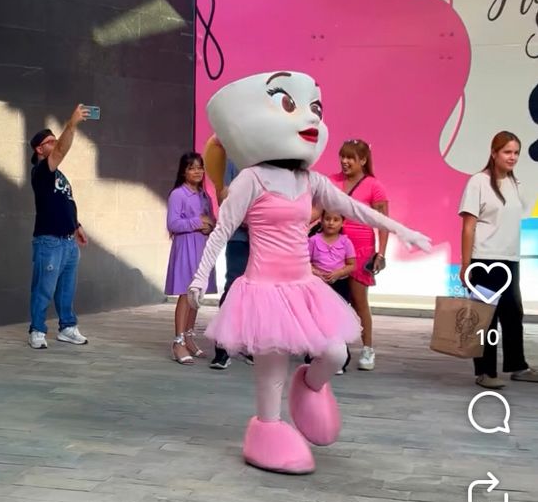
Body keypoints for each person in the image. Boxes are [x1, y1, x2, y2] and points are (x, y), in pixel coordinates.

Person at [187, 71, 430, 475]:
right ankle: (267, 427)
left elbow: (356, 209)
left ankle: (311, 385)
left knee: (335, 352)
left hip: (302, 286)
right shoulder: (251, 179)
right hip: (264, 289)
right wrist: (199, 279)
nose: (311, 118)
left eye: (315, 109)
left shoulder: (309, 180)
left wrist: (402, 231)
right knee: (272, 368)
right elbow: (223, 229)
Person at [458, 130, 538, 387]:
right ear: (494, 153)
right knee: (485, 318)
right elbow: (468, 226)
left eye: (516, 152)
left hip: (509, 259)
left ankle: (518, 366)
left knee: (513, 314)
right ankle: (485, 371)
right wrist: (466, 264)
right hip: (484, 259)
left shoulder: (516, 185)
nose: (512, 157)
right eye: (507, 152)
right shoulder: (478, 182)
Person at [28, 104, 90, 350]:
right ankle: (37, 330)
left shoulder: (58, 175)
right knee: (44, 288)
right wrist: (71, 123)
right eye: (50, 142)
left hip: (68, 240)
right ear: (39, 149)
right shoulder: (41, 171)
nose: (55, 145)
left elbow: (65, 201)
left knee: (66, 289)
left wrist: (77, 225)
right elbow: (62, 149)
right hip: (49, 240)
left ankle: (67, 327)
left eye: (55, 141)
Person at [329, 140, 389, 371]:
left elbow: (384, 223)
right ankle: (333, 348)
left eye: (350, 158)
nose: (344, 161)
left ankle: (367, 349)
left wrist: (380, 254)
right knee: (333, 299)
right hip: (332, 246)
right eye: (342, 156)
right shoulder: (332, 181)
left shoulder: (374, 186)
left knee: (358, 300)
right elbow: (320, 209)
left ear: (363, 161)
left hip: (361, 249)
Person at [165, 152, 216, 363]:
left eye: (200, 167)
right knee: (185, 295)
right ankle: (178, 342)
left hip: (202, 248)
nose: (197, 171)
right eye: (192, 168)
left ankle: (189, 337)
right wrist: (197, 222)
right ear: (183, 171)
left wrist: (209, 227)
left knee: (196, 295)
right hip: (185, 246)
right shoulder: (178, 194)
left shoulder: (205, 196)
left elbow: (212, 220)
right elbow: (173, 224)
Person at [209, 154, 252, 371]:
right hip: (239, 237)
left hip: (265, 239)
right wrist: (243, 218)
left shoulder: (272, 162)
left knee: (260, 292)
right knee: (233, 287)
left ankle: (251, 344)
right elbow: (223, 195)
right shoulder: (233, 159)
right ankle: (223, 348)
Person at [307, 210, 356, 372]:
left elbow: (352, 265)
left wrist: (338, 273)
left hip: (339, 285)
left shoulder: (346, 242)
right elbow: (305, 262)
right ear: (321, 220)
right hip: (318, 285)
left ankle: (338, 359)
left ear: (342, 223)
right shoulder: (313, 241)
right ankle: (316, 356)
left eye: (336, 220)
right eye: (327, 219)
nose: (331, 223)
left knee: (336, 322)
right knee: (318, 320)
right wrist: (317, 273)